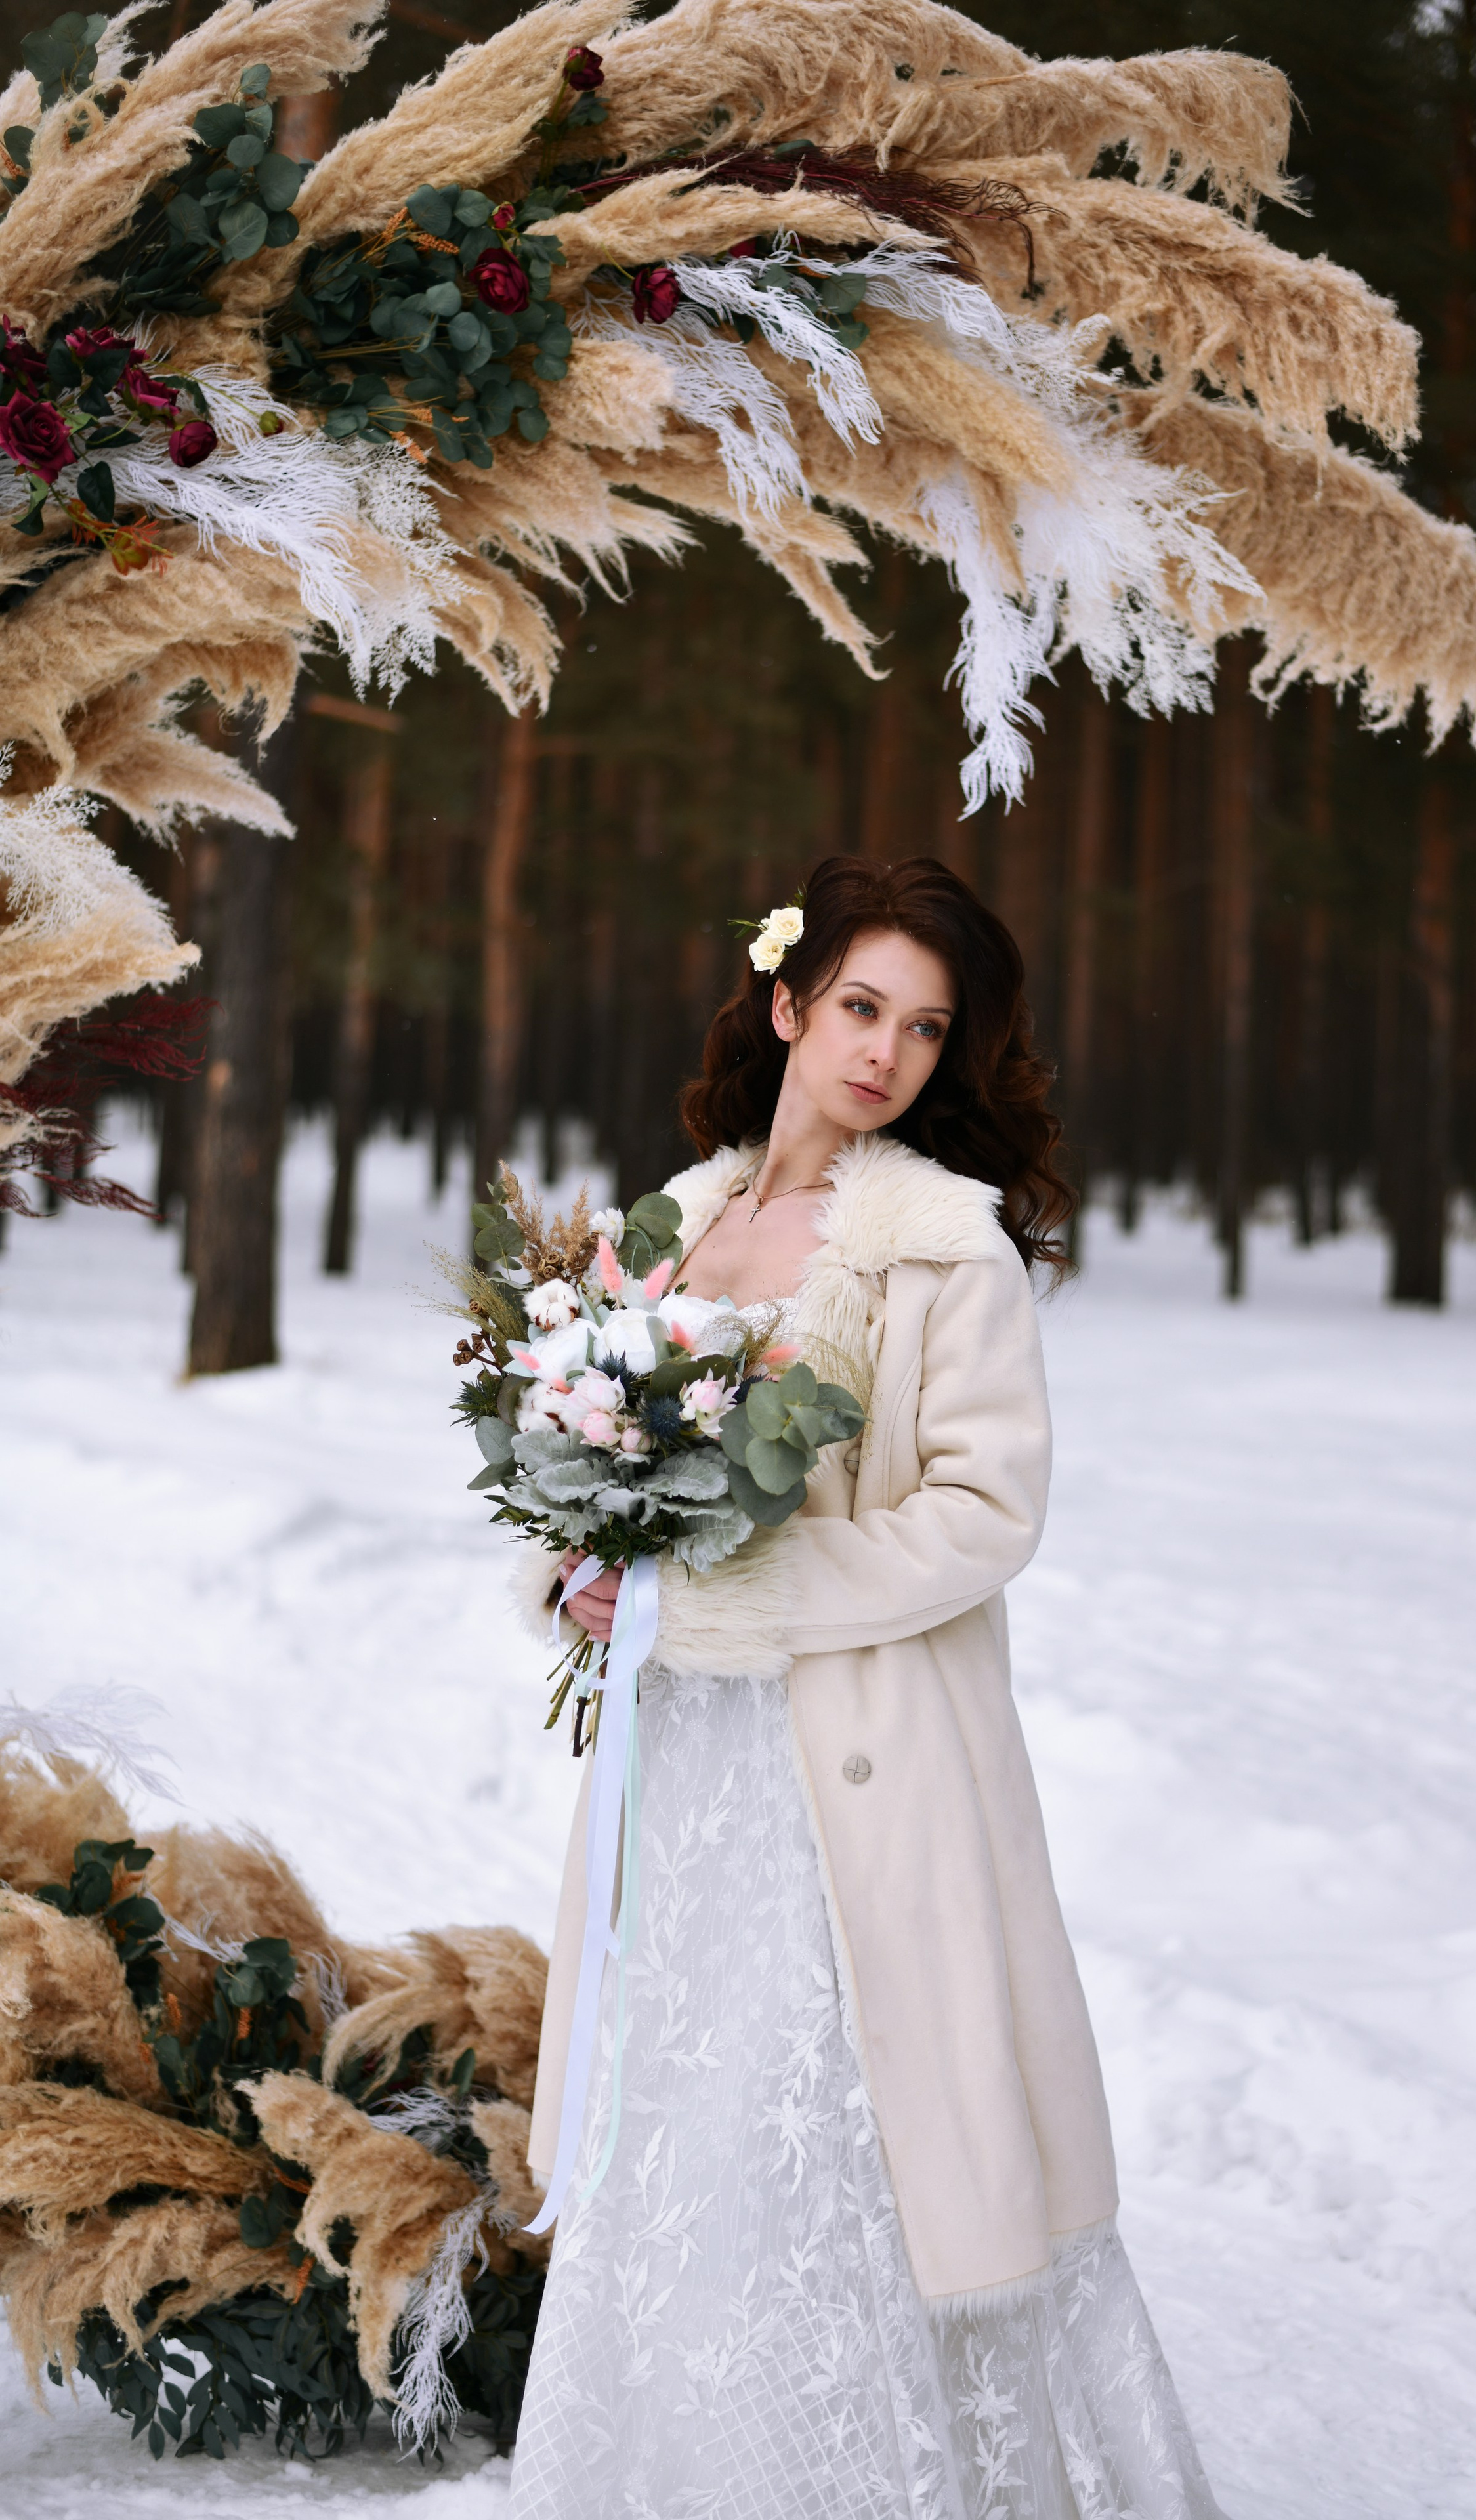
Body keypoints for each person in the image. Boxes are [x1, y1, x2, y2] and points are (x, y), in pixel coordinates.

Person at [507, 856, 1224, 2520]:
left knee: (826, 2120)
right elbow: (582, 1458)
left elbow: (985, 1515)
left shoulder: (937, 1246)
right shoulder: (671, 1227)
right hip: (679, 1753)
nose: (883, 1052)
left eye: (922, 1027)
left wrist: (743, 1592)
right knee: (680, 2112)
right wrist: (584, 1573)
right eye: (856, 1009)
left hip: (864, 1764)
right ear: (784, 1006)